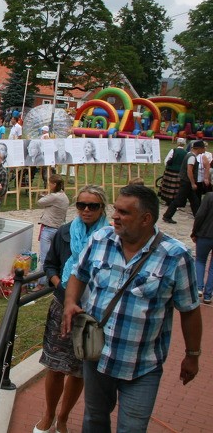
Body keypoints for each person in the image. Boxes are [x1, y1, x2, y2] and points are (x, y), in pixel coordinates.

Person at [61, 184, 202, 432]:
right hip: (97, 357)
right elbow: (78, 274)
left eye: (124, 212)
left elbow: (189, 310)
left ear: (146, 219)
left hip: (142, 365)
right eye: (116, 209)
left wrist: (192, 355)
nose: (114, 216)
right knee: (94, 419)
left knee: (132, 428)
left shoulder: (175, 256)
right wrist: (70, 302)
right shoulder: (100, 239)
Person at [34, 185, 109, 433]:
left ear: (102, 208)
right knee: (55, 366)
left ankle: (63, 417)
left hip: (93, 311)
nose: (86, 210)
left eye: (93, 206)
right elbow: (50, 265)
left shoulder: (110, 237)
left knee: (79, 370)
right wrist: (62, 287)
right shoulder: (65, 232)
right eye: (81, 205)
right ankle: (48, 414)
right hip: (62, 304)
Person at [36, 175, 70, 284]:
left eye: (50, 183)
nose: (49, 185)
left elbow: (40, 202)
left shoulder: (54, 197)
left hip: (49, 229)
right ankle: (51, 279)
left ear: (54, 184)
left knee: (44, 258)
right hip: (58, 228)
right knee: (54, 257)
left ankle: (42, 283)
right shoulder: (64, 196)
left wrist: (44, 195)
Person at [163, 140, 206, 224]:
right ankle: (167, 216)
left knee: (194, 201)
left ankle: (198, 217)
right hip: (187, 182)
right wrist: (193, 183)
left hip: (186, 181)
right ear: (199, 148)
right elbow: (189, 171)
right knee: (179, 200)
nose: (204, 149)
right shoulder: (192, 157)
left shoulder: (189, 155)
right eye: (203, 148)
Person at [191, 192, 213, 303]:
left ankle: (198, 288)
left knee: (200, 260)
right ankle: (208, 294)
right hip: (206, 234)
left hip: (205, 234)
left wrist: (194, 232)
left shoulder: (209, 196)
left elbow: (200, 215)